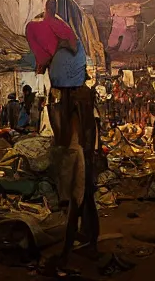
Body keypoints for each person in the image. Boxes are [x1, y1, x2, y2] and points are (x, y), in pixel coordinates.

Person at [58, 85, 100, 267]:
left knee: (77, 203)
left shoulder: (77, 102)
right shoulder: (76, 101)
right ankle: (88, 243)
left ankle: (67, 251)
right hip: (80, 156)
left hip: (81, 157)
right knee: (84, 202)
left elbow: (75, 136)